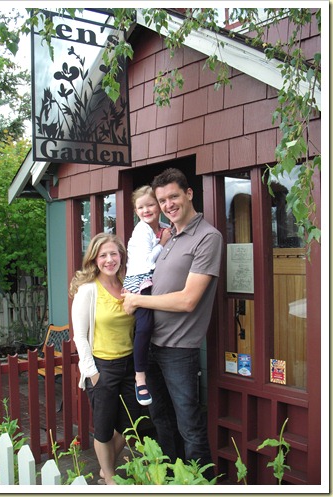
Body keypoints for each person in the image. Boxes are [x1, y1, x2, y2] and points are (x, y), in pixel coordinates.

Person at [122, 168, 223, 480]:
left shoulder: (208, 237)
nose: (167, 204)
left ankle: (199, 483)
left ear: (189, 194)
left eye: (173, 197)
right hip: (151, 345)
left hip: (179, 349)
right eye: (162, 199)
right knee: (161, 418)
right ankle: (170, 480)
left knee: (189, 424)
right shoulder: (166, 238)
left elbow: (187, 300)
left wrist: (138, 300)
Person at [70, 233, 140, 485]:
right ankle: (109, 479)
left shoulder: (128, 286)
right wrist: (93, 373)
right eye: (103, 255)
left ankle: (105, 467)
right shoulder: (88, 291)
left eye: (113, 254)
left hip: (130, 365)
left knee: (134, 421)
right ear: (95, 260)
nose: (109, 259)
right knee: (103, 425)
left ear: (121, 256)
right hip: (102, 367)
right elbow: (79, 336)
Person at [123, 186, 171, 406]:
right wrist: (163, 242)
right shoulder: (142, 231)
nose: (146, 210)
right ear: (136, 211)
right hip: (139, 280)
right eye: (141, 207)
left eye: (150, 204)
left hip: (153, 280)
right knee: (144, 324)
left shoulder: (163, 226)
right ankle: (139, 376)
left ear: (159, 206)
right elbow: (149, 262)